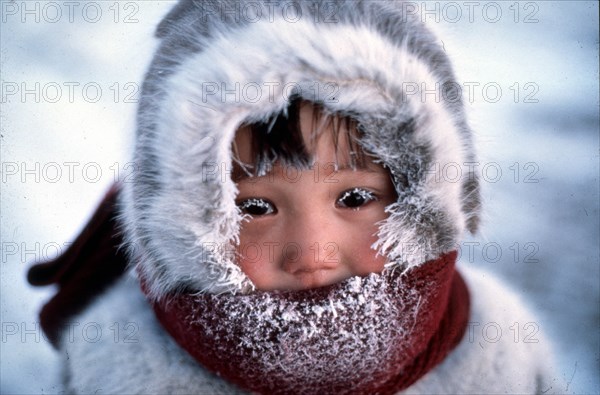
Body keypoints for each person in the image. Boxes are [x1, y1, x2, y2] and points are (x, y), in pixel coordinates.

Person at [28, 1, 562, 393]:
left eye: (353, 198)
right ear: (183, 219)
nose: (311, 252)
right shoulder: (118, 358)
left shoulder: (495, 347)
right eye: (255, 208)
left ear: (426, 196)